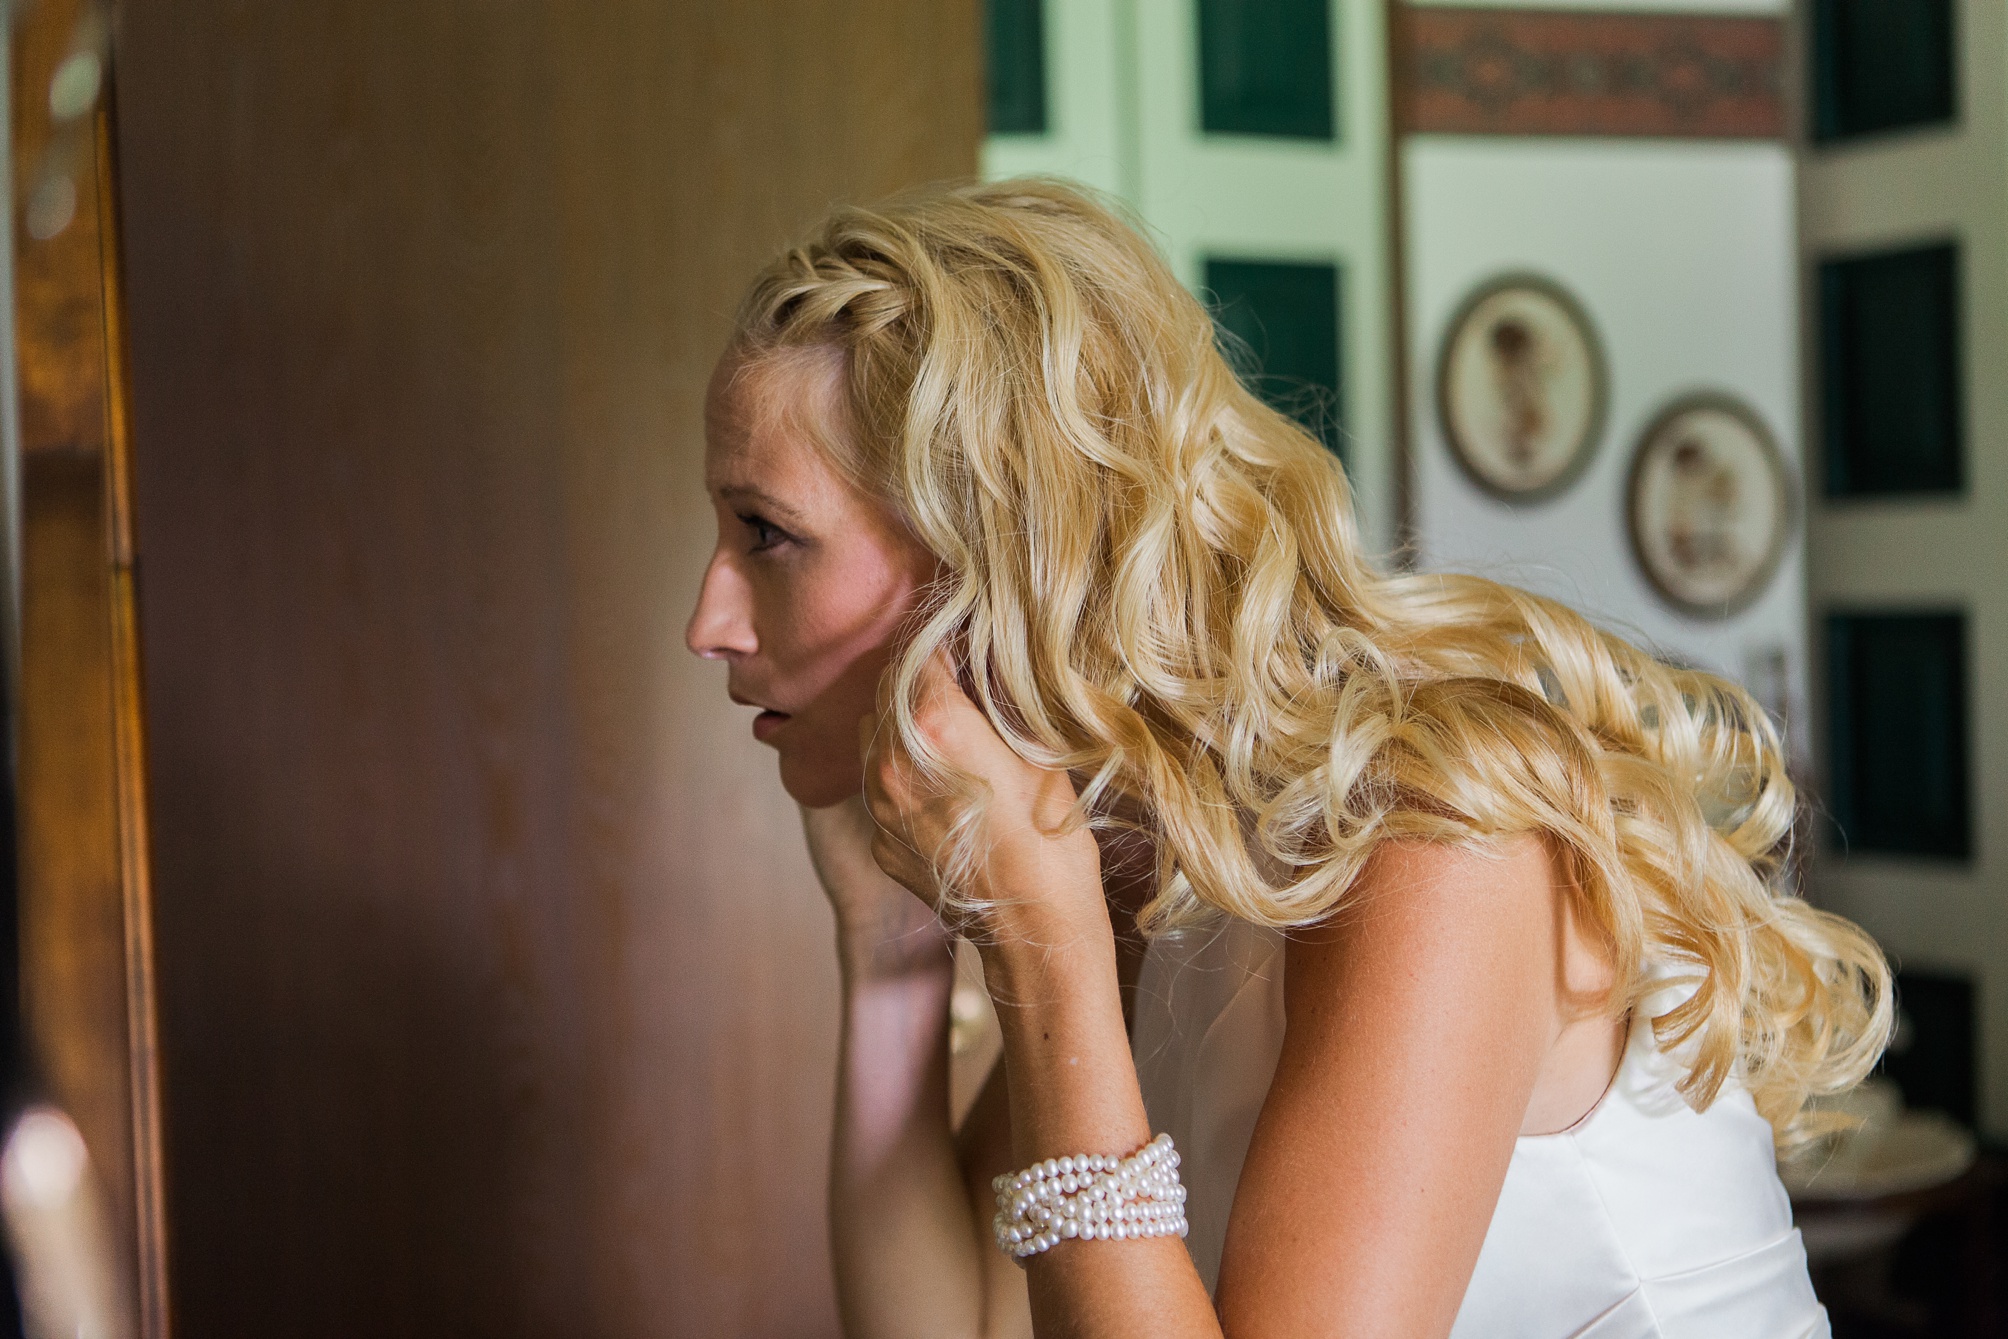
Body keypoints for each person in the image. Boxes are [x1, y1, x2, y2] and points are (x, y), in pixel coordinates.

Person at [685, 179, 1889, 1339]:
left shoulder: (1431, 836)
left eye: (767, 533)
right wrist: (885, 940)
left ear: (992, 555)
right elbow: (948, 1325)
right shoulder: (1134, 857)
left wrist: (1038, 946)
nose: (710, 621)